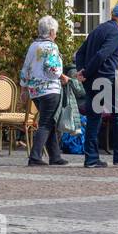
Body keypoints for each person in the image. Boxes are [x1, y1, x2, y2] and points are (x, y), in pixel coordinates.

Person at [74, 3, 118, 168]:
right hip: (106, 78)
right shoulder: (116, 31)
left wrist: (82, 70)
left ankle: (91, 159)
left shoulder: (98, 29)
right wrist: (86, 72)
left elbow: (80, 52)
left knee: (94, 118)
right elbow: (102, 54)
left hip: (92, 80)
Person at [19, 15, 71, 166]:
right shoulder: (51, 47)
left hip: (35, 91)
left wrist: (23, 88)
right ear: (52, 31)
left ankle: (55, 156)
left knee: (49, 122)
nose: (56, 34)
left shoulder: (33, 46)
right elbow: (52, 69)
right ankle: (35, 157)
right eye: (56, 31)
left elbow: (25, 69)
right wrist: (62, 76)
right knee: (46, 123)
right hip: (50, 90)